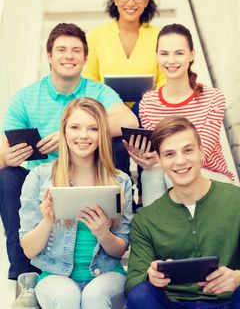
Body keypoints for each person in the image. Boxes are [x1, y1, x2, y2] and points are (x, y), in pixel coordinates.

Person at [0, 22, 138, 283]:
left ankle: (110, 238)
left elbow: (128, 120)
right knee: (6, 175)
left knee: (117, 143)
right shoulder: (26, 97)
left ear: (86, 58)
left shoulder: (97, 90)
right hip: (43, 182)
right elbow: (2, 150)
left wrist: (67, 135)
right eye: (61, 49)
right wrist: (7, 157)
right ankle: (24, 274)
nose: (69, 56)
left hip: (91, 174)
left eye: (76, 50)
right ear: (49, 56)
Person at [18, 97, 133, 309]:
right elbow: (28, 250)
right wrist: (47, 221)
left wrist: (102, 232)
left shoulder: (120, 181)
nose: (83, 135)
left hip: (107, 273)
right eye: (75, 127)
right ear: (64, 131)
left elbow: (120, 249)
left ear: (102, 135)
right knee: (66, 296)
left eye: (93, 128)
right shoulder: (38, 177)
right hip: (55, 275)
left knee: (95, 296)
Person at [126, 115, 240, 309]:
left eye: (188, 150)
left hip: (230, 302)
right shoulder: (146, 219)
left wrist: (238, 277)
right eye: (169, 154)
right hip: (174, 304)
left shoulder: (236, 199)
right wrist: (150, 276)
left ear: (201, 151)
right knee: (140, 294)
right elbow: (132, 283)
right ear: (160, 160)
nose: (180, 161)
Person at [82, 0, 166, 208]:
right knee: (118, 144)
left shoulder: (158, 36)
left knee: (143, 117)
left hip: (147, 115)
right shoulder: (97, 36)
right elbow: (90, 81)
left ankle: (145, 196)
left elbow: (164, 80)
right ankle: (125, 197)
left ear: (147, 0)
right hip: (112, 117)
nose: (131, 2)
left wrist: (150, 98)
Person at [124, 23, 234, 206]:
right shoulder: (148, 103)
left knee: (171, 172)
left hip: (211, 177)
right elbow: (158, 152)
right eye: (164, 53)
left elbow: (201, 156)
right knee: (152, 174)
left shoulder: (213, 98)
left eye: (179, 53)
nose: (171, 60)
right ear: (157, 55)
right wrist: (146, 159)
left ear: (192, 54)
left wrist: (161, 159)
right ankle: (159, 232)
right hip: (170, 174)